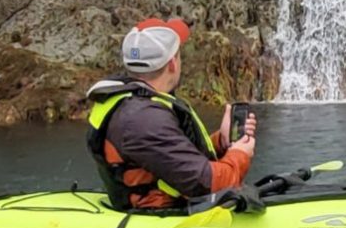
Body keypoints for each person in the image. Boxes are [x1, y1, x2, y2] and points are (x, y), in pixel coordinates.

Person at [85, 17, 256, 211]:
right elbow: (210, 185)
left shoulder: (139, 106)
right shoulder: (143, 120)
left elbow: (169, 157)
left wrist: (221, 143)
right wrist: (240, 155)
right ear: (173, 63)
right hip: (158, 214)